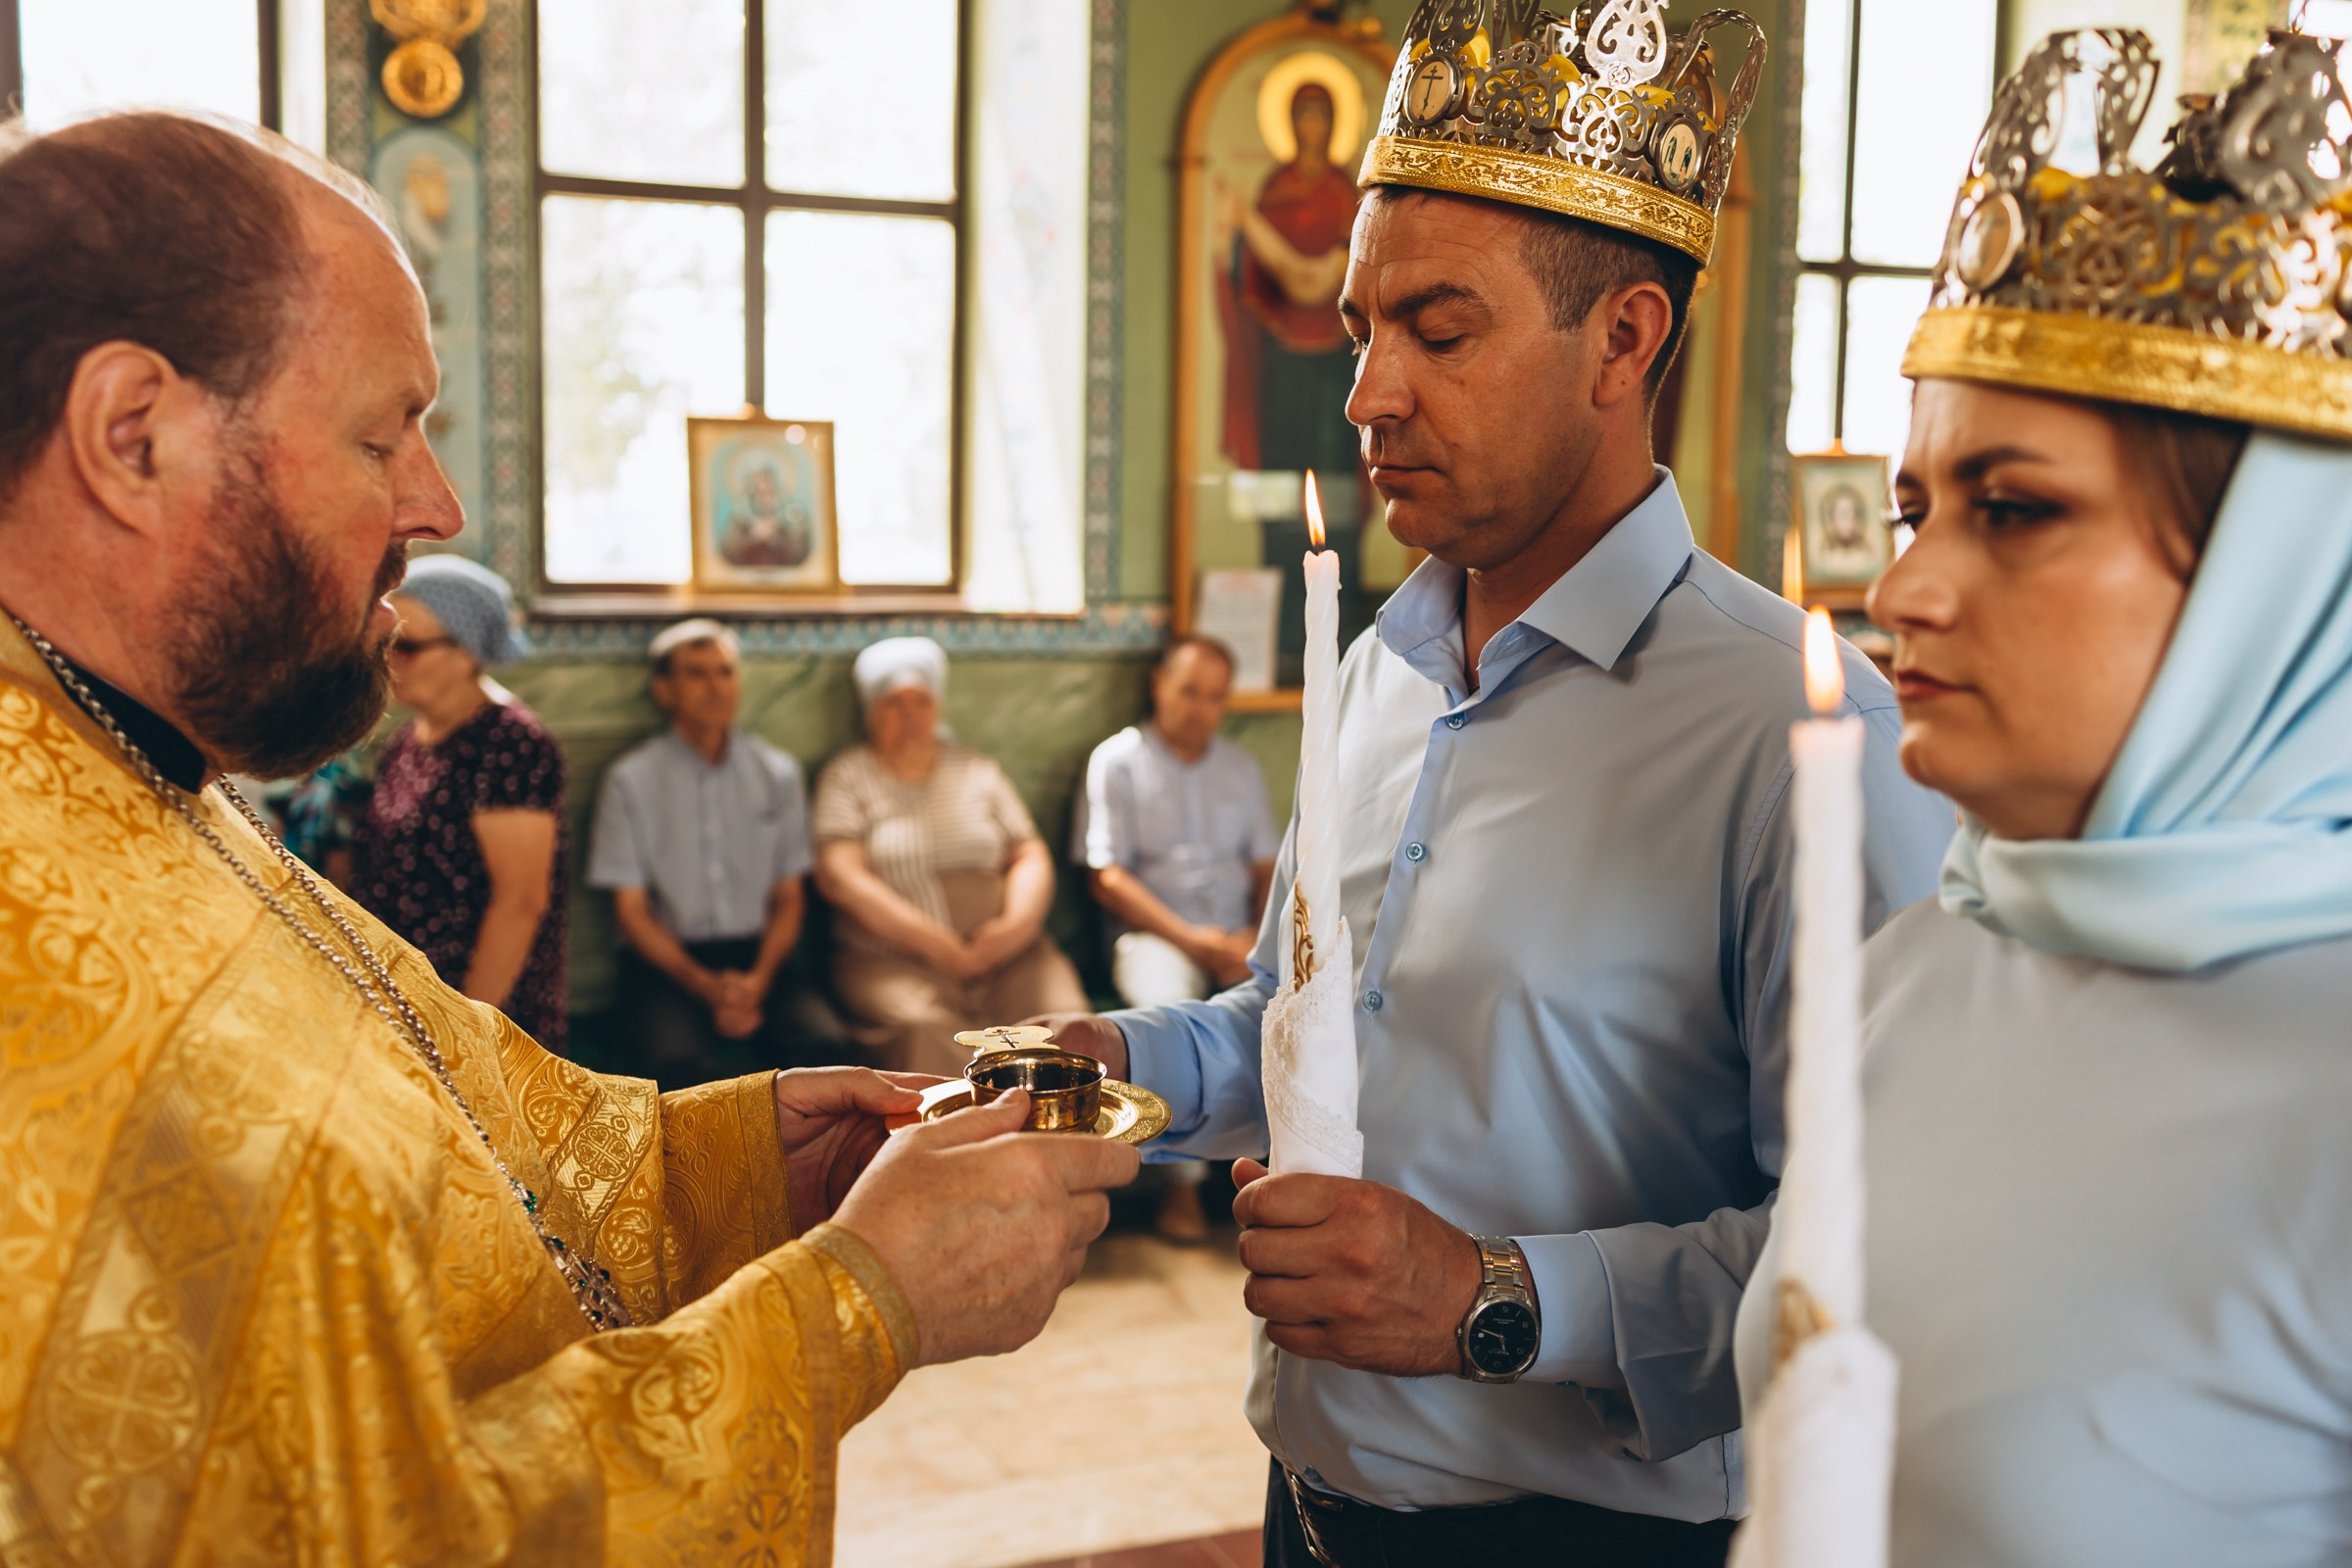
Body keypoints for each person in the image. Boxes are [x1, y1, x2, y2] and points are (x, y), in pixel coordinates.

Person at [0, 110, 1134, 1564]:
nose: (438, 506)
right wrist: (862, 1297)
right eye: (379, 436)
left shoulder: (138, 763)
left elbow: (460, 1119)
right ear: (133, 437)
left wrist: (743, 1171)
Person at [1040, 11, 1953, 1564]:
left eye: (1438, 333)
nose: (1367, 394)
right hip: (1311, 1497)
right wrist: (1102, 1066)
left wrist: (1492, 1297)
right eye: (1359, 330)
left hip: (1584, 1533)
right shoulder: (1376, 667)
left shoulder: (1795, 734)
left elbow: (1881, 1253)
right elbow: (1301, 1030)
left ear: (1624, 341)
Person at [1733, 29, 2352, 1567]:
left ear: (2274, 585)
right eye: (1914, 510)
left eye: (2013, 510)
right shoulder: (1915, 964)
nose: (1906, 592)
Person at [1075, 633, 1279, 1239]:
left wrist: (1258, 939)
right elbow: (1108, 879)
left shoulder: (1240, 769)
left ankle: (1281, 1178)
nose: (1200, 708)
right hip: (1154, 936)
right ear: (1159, 684)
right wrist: (1194, 941)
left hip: (1240, 937)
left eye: (1215, 696)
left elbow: (1267, 868)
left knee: (1296, 1003)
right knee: (1169, 1006)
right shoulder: (1118, 761)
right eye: (1189, 691)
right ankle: (1181, 1190)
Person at [814, 636, 1090, 1075]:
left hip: (1009, 959)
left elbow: (1028, 852)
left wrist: (1014, 928)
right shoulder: (848, 776)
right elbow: (840, 877)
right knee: (923, 1028)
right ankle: (959, 1122)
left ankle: (1054, 1120)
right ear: (870, 711)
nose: (909, 716)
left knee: (1064, 1024)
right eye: (893, 703)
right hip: (892, 960)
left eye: (920, 702)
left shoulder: (976, 769)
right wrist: (935, 944)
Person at [590, 617, 849, 1084]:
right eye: (696, 673)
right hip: (666, 963)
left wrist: (758, 981)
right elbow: (631, 911)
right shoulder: (631, 780)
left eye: (725, 672)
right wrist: (705, 986)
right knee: (675, 1067)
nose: (715, 687)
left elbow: (790, 898)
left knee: (825, 1048)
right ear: (664, 689)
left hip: (762, 956)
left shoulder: (777, 773)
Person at [347, 554, 570, 1052]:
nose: (389, 659)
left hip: (476, 1016)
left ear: (467, 652)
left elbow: (520, 903)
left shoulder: (511, 745)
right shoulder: (408, 740)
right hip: (408, 1005)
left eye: (407, 646)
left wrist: (463, 1034)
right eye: (385, 643)